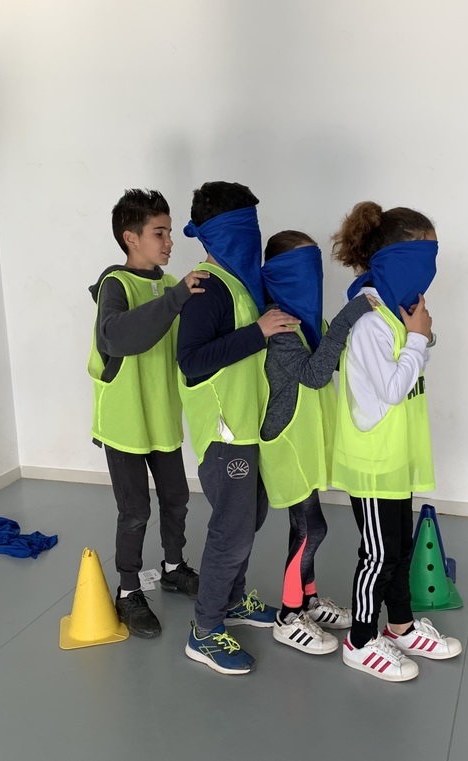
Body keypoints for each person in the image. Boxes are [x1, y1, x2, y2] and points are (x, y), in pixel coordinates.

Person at [330, 201, 463, 682]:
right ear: (398, 260)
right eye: (424, 257)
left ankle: (400, 626)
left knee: (400, 547)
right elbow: (391, 388)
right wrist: (418, 339)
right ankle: (361, 640)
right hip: (372, 459)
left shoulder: (392, 313)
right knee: (379, 554)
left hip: (395, 455)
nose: (430, 271)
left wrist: (418, 336)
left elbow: (408, 374)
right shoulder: (368, 320)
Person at [177, 181, 300, 675]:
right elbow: (191, 361)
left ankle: (230, 600)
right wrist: (258, 332)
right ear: (223, 233)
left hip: (247, 426)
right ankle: (205, 630)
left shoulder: (239, 284)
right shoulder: (206, 288)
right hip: (223, 434)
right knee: (232, 530)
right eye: (245, 227)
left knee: (251, 517)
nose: (254, 237)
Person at [87, 188, 208, 639]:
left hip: (161, 416)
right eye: (160, 233)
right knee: (135, 510)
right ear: (131, 237)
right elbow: (120, 337)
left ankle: (174, 567)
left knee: (176, 498)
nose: (169, 242)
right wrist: (176, 298)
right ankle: (128, 590)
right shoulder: (115, 285)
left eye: (170, 232)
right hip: (124, 422)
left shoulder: (169, 283)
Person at [258, 230, 374, 655]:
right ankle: (289, 615)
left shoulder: (308, 320)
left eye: (315, 269)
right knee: (313, 527)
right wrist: (346, 319)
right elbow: (314, 374)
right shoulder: (279, 324)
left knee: (303, 526)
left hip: (307, 438)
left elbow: (337, 358)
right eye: (301, 270)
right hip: (288, 441)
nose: (312, 280)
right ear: (280, 274)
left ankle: (307, 599)